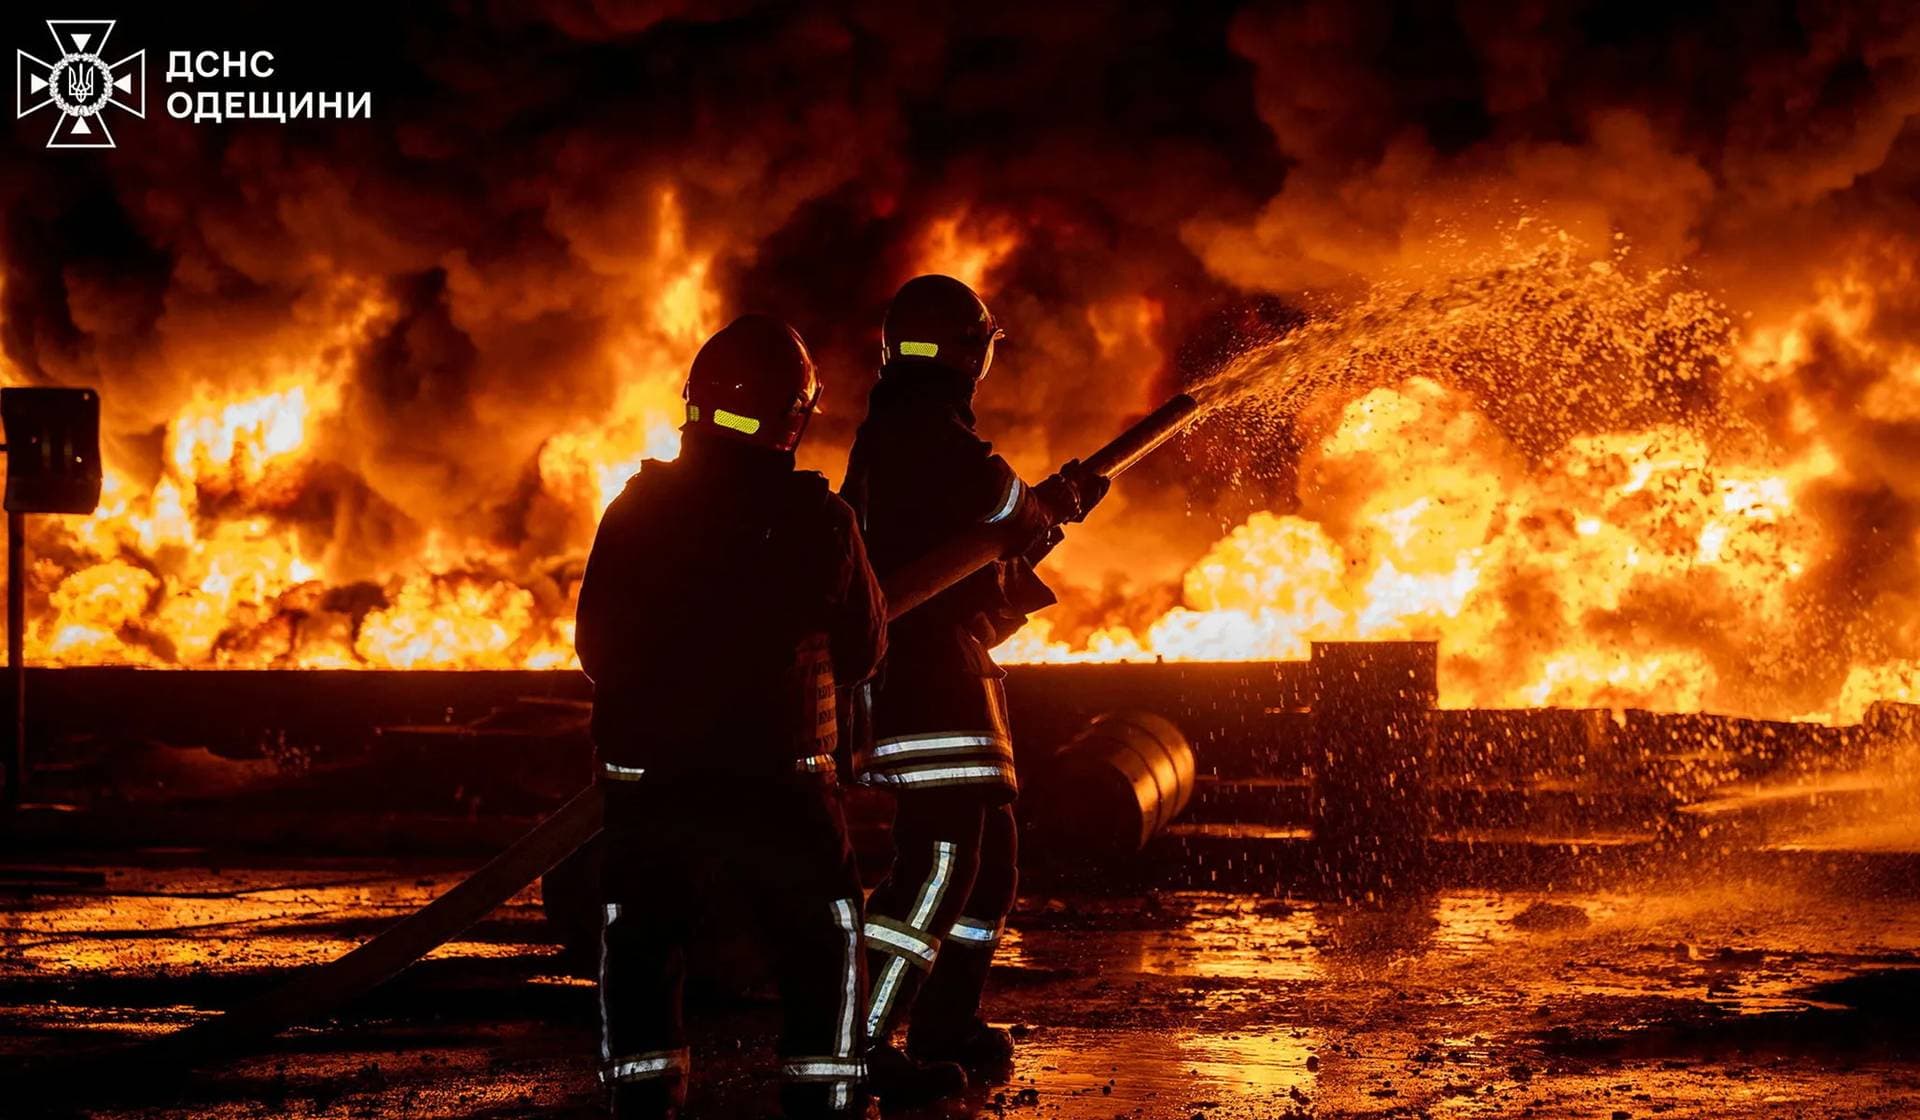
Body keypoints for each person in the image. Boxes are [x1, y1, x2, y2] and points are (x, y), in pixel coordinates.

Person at [576, 315, 886, 1120]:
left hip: (653, 785)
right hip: (778, 785)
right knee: (823, 941)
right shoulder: (818, 520)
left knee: (640, 946)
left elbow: (595, 646)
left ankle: (643, 1104)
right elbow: (862, 654)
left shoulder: (634, 510)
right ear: (794, 416)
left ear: (694, 403)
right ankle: (824, 1104)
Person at [840, 275, 1108, 1094]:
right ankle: (863, 1038)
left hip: (946, 672)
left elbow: (989, 550)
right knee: (940, 866)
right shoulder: (922, 428)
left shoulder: (908, 428)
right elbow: (1001, 503)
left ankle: (945, 1022)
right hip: (928, 685)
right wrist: (1043, 504)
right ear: (974, 349)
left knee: (988, 869)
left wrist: (1046, 512)